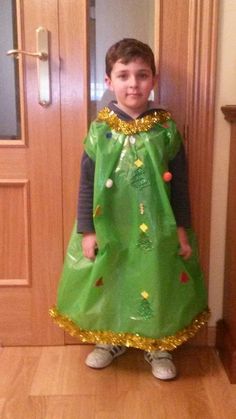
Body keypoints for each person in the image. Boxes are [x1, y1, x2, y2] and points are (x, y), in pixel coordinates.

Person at [50, 38, 209, 380]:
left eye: (141, 75)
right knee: (112, 277)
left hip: (158, 227)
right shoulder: (100, 130)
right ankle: (108, 338)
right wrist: (87, 230)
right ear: (109, 81)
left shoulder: (166, 130)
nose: (133, 83)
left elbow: (180, 185)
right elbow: (86, 183)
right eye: (123, 75)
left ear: (154, 79)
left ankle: (158, 343)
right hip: (110, 225)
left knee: (156, 277)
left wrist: (181, 229)